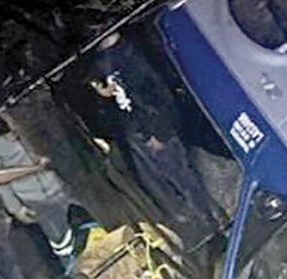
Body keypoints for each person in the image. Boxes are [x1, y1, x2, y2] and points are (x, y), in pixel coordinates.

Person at [88, 32, 221, 238]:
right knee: (161, 179)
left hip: (153, 131)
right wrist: (104, 96)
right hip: (134, 132)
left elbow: (158, 95)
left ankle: (211, 219)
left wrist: (159, 133)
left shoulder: (131, 56)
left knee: (182, 177)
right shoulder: (100, 61)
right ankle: (197, 218)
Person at [0, 106, 80, 268]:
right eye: (6, 136)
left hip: (65, 182)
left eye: (13, 132)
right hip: (36, 199)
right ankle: (73, 272)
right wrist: (15, 208)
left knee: (104, 214)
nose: (11, 136)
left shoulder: (25, 110)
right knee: (60, 242)